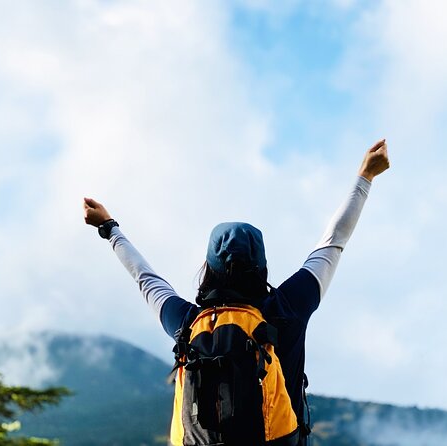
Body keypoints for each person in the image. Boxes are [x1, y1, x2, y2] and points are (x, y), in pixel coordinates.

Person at [83, 139, 390, 445]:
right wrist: (365, 176)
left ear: (209, 267)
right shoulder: (288, 307)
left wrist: (109, 228)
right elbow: (334, 241)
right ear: (262, 265)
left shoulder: (187, 321)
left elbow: (145, 279)